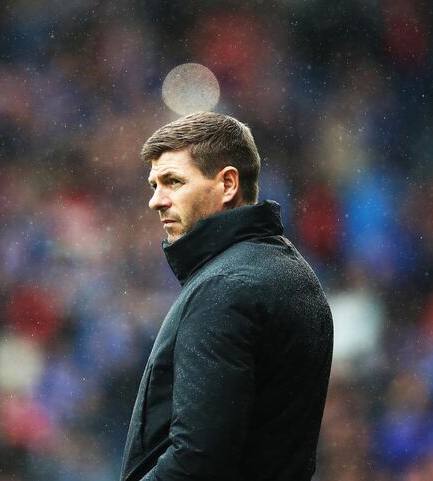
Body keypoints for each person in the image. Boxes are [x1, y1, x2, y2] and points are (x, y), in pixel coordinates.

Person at [120, 111, 333, 481]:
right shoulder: (288, 270)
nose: (156, 200)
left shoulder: (226, 288)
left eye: (173, 181)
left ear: (228, 184)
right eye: (154, 185)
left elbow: (197, 462)